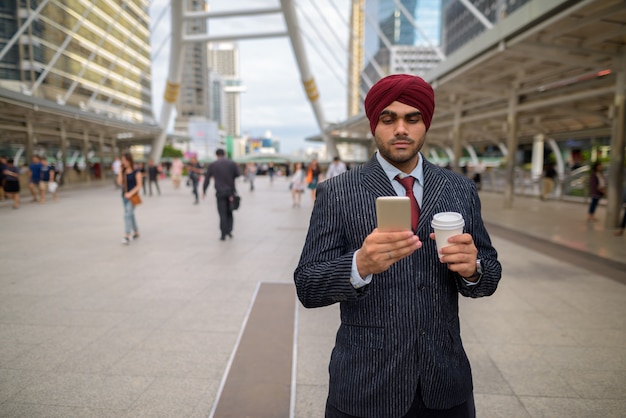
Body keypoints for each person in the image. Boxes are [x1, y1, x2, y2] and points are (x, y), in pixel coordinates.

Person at [294, 74, 502, 418]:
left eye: (412, 118)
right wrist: (359, 265)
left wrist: (473, 268)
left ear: (426, 124)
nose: (400, 129)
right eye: (388, 119)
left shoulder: (460, 189)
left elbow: (489, 274)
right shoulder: (338, 192)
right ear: (374, 125)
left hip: (446, 384)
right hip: (365, 385)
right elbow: (308, 285)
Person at [202, 148, 240, 241]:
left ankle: (223, 234)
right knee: (229, 212)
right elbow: (238, 174)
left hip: (220, 192)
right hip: (230, 191)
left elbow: (207, 178)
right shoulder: (231, 163)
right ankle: (229, 231)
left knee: (222, 213)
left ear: (216, 155)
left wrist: (204, 190)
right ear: (224, 154)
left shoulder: (213, 165)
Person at [116, 153, 142, 245]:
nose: (124, 162)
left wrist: (130, 193)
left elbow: (139, 185)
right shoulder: (123, 171)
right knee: (130, 214)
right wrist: (120, 170)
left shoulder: (136, 171)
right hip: (124, 197)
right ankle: (136, 231)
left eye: (125, 160)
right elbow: (119, 183)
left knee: (127, 214)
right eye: (122, 161)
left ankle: (126, 235)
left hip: (132, 197)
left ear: (129, 160)